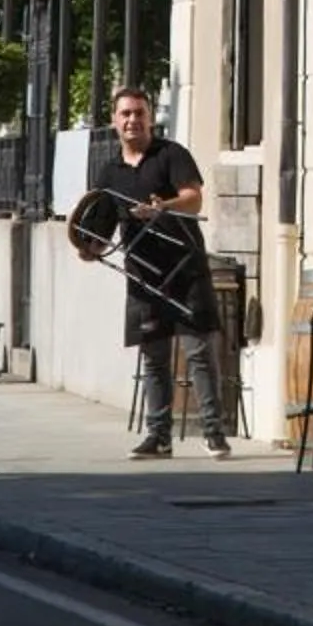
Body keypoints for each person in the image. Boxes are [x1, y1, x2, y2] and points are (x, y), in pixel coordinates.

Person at [84, 86, 229, 459]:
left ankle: (214, 433)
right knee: (154, 357)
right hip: (143, 275)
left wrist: (161, 207)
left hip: (185, 268)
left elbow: (194, 197)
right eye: (125, 114)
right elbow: (98, 226)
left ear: (150, 118)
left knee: (199, 352)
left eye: (139, 113)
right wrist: (91, 249)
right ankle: (158, 437)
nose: (132, 120)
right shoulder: (108, 172)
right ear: (114, 120)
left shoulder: (171, 154)